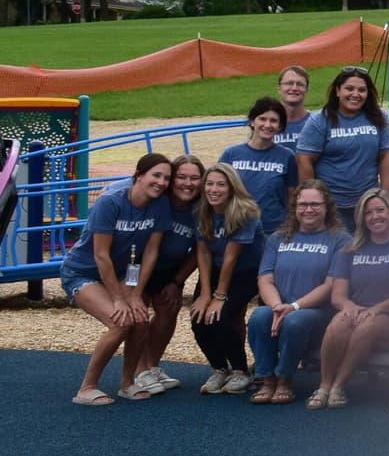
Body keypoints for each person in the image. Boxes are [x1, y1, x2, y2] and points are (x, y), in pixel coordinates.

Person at [61, 154, 169, 405]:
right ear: (139, 175)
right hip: (83, 271)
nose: (161, 182)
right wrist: (119, 298)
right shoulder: (110, 202)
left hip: (122, 272)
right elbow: (101, 255)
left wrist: (135, 294)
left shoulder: (160, 205)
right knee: (120, 321)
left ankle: (127, 383)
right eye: (156, 175)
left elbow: (150, 253)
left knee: (140, 320)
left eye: (166, 178)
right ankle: (87, 388)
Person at [247, 180, 348, 405]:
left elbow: (330, 285)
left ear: (327, 207)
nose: (308, 209)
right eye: (303, 204)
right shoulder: (278, 238)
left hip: (317, 311)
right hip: (280, 307)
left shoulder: (340, 240)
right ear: (294, 207)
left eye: (315, 204)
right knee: (259, 316)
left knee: (295, 321)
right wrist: (277, 306)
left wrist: (293, 307)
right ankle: (267, 379)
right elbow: (265, 278)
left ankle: (284, 378)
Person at [310, 189, 389, 409]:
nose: (375, 217)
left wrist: (377, 309)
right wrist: (349, 306)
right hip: (358, 313)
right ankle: (324, 386)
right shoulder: (350, 250)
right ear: (361, 218)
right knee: (338, 322)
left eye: (380, 210)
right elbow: (338, 294)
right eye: (368, 213)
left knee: (368, 325)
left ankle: (339, 384)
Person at [130, 153, 203, 394]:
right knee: (138, 315)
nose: (187, 183)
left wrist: (176, 281)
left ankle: (151, 366)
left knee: (169, 310)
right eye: (181, 177)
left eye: (194, 178)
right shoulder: (158, 201)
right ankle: (138, 370)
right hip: (137, 265)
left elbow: (198, 252)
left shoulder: (200, 210)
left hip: (168, 270)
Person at [189, 162, 263, 395]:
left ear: (232, 188)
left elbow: (232, 257)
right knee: (198, 318)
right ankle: (219, 368)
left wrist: (219, 297)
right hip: (216, 268)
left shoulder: (245, 212)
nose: (214, 190)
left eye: (221, 185)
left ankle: (241, 371)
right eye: (209, 184)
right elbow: (202, 252)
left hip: (246, 271)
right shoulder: (201, 210)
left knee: (219, 316)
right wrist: (204, 294)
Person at [295, 67, 389, 226]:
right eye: (349, 88)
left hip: (367, 203)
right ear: (337, 91)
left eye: (362, 90)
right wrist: (313, 200)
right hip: (331, 205)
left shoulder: (379, 117)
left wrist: (386, 194)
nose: (355, 94)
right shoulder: (320, 120)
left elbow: (388, 155)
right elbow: (304, 159)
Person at [223, 97, 297, 235]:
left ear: (280, 126)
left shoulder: (287, 156)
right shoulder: (231, 154)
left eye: (273, 121)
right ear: (252, 121)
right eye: (262, 119)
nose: (267, 125)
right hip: (238, 227)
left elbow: (292, 196)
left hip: (274, 230)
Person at [274, 65, 312, 152]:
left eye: (300, 84)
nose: (294, 88)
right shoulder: (266, 124)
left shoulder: (317, 123)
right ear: (279, 88)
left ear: (306, 90)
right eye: (289, 83)